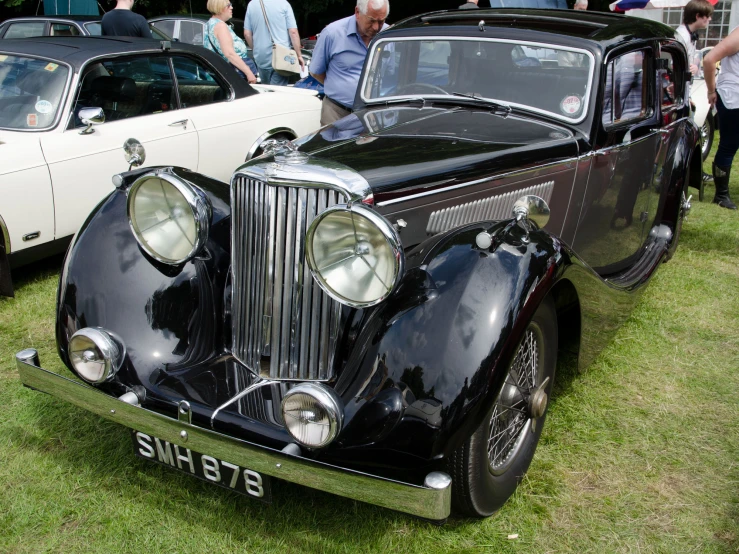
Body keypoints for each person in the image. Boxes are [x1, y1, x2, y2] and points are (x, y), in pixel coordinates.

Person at [310, 0, 390, 126]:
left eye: (381, 21)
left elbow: (392, 75)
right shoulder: (333, 33)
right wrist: (340, 87)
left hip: (375, 115)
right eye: (371, 20)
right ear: (357, 12)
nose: (376, 27)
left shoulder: (388, 35)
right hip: (337, 112)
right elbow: (316, 72)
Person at [704, 27, 739, 210]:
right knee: (729, 144)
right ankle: (721, 195)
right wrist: (711, 90)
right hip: (733, 96)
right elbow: (709, 59)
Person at [244, 0, 304, 86]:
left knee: (266, 89)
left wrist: (256, 49)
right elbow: (293, 32)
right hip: (282, 57)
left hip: (261, 56)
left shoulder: (252, 4)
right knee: (277, 94)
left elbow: (247, 34)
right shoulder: (283, 4)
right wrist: (299, 55)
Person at [204, 0, 258, 84]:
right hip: (232, 75)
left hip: (222, 73)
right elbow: (229, 54)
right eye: (228, 5)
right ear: (220, 8)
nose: (232, 8)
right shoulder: (220, 26)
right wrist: (249, 73)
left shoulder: (210, 23)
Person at [675, 0, 713, 77]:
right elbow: (673, 63)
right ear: (698, 16)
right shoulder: (682, 36)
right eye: (708, 16)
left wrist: (694, 67)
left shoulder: (690, 34)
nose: (710, 19)